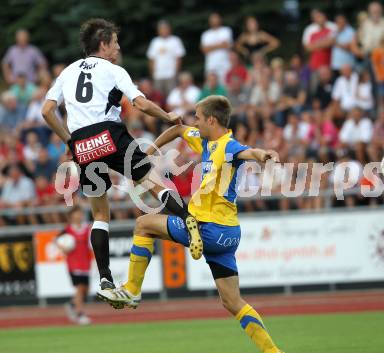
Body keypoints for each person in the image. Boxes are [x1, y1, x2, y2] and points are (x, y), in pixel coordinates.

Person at [98, 95, 284, 353]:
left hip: (209, 228)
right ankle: (273, 351)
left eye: (197, 117)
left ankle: (132, 289)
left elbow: (247, 151)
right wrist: (149, 152)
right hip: (228, 234)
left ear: (211, 119)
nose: (194, 122)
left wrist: (262, 154)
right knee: (232, 302)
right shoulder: (205, 140)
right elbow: (178, 129)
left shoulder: (228, 146)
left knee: (143, 224)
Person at [41, 18, 202, 293]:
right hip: (110, 134)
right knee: (152, 181)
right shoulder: (113, 70)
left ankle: (105, 279)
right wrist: (168, 116)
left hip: (83, 144)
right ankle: (190, 221)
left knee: (100, 214)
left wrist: (69, 139)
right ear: (103, 44)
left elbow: (46, 111)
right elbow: (140, 103)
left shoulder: (67, 72)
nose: (117, 48)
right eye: (114, 42)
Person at [57, 206, 93, 325]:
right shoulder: (67, 230)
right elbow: (56, 241)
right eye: (76, 214)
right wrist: (64, 248)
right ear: (71, 216)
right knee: (79, 288)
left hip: (86, 263)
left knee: (85, 290)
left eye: (80, 213)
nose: (79, 216)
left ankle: (72, 304)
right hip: (73, 263)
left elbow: (91, 244)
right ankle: (80, 314)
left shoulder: (87, 228)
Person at [146, 20, 186, 97]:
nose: (163, 30)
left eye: (165, 28)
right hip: (158, 75)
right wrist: (153, 74)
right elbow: (151, 60)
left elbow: (179, 58)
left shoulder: (175, 40)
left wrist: (176, 73)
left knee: (172, 96)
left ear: (169, 29)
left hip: (171, 75)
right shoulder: (155, 42)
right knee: (158, 97)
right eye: (161, 28)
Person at [200, 12, 233, 84]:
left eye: (216, 18)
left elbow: (226, 45)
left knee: (226, 86)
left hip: (225, 65)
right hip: (211, 66)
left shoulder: (226, 30)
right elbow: (204, 49)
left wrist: (210, 46)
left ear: (220, 20)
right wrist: (219, 45)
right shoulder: (206, 34)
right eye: (212, 19)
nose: (214, 21)